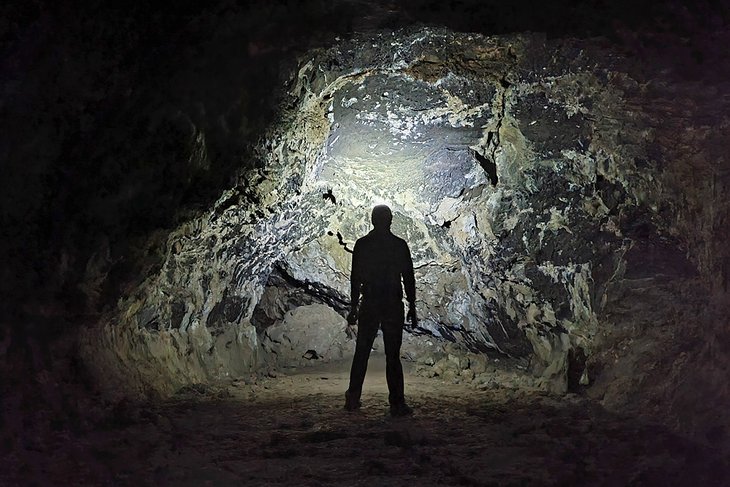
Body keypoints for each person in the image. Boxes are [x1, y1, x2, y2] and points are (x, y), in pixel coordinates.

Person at [344, 205, 417, 417]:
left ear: (372, 220)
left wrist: (354, 306)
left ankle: (353, 397)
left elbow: (355, 278)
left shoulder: (363, 245)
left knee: (362, 351)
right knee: (393, 355)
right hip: (392, 304)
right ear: (390, 220)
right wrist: (412, 305)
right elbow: (409, 278)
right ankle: (397, 402)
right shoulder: (399, 245)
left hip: (371, 302)